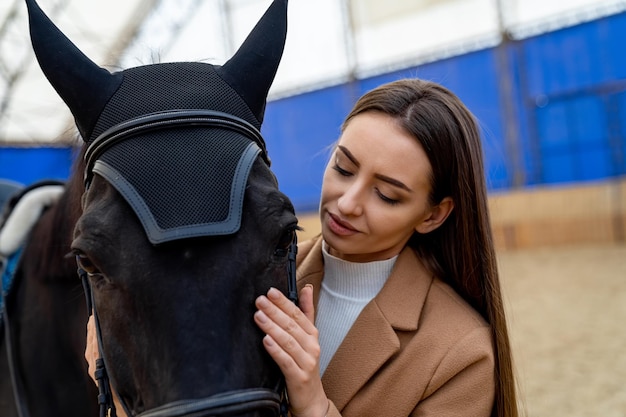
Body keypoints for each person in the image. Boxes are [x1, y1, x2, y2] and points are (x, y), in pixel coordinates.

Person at [253, 78, 520, 417]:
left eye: (387, 195)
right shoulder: (259, 276)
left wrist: (314, 406)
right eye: (343, 168)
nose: (348, 202)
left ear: (434, 215)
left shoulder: (461, 353)